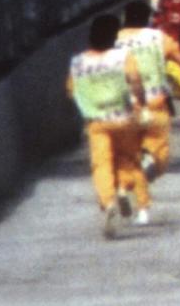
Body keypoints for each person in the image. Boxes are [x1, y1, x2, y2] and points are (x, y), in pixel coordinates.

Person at [66, 14, 150, 237]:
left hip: (96, 122)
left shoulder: (78, 62)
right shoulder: (122, 57)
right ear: (114, 35)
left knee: (101, 164)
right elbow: (135, 82)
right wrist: (140, 102)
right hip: (123, 118)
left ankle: (108, 201)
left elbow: (72, 90)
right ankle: (123, 188)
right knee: (127, 160)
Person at [116, 0, 180, 183]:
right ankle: (149, 156)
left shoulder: (114, 39)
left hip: (124, 103)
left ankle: (129, 177)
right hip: (155, 100)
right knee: (159, 145)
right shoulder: (158, 37)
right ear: (148, 18)